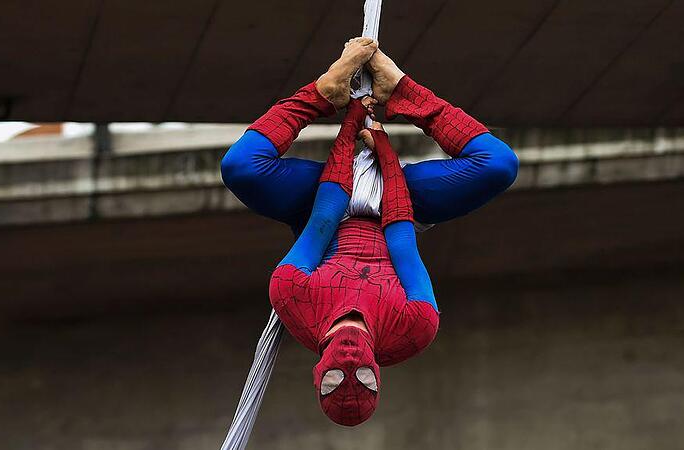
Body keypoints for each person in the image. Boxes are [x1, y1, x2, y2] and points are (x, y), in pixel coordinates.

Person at [221, 38, 519, 426]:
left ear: (318, 375)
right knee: (500, 165)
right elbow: (400, 240)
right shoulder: (414, 329)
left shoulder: (293, 299)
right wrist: (383, 152)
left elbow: (323, 220)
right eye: (362, 377)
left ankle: (318, 95)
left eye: (333, 379)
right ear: (377, 377)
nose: (348, 363)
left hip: (323, 206)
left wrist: (349, 125)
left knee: (239, 167)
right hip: (402, 209)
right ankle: (403, 92)